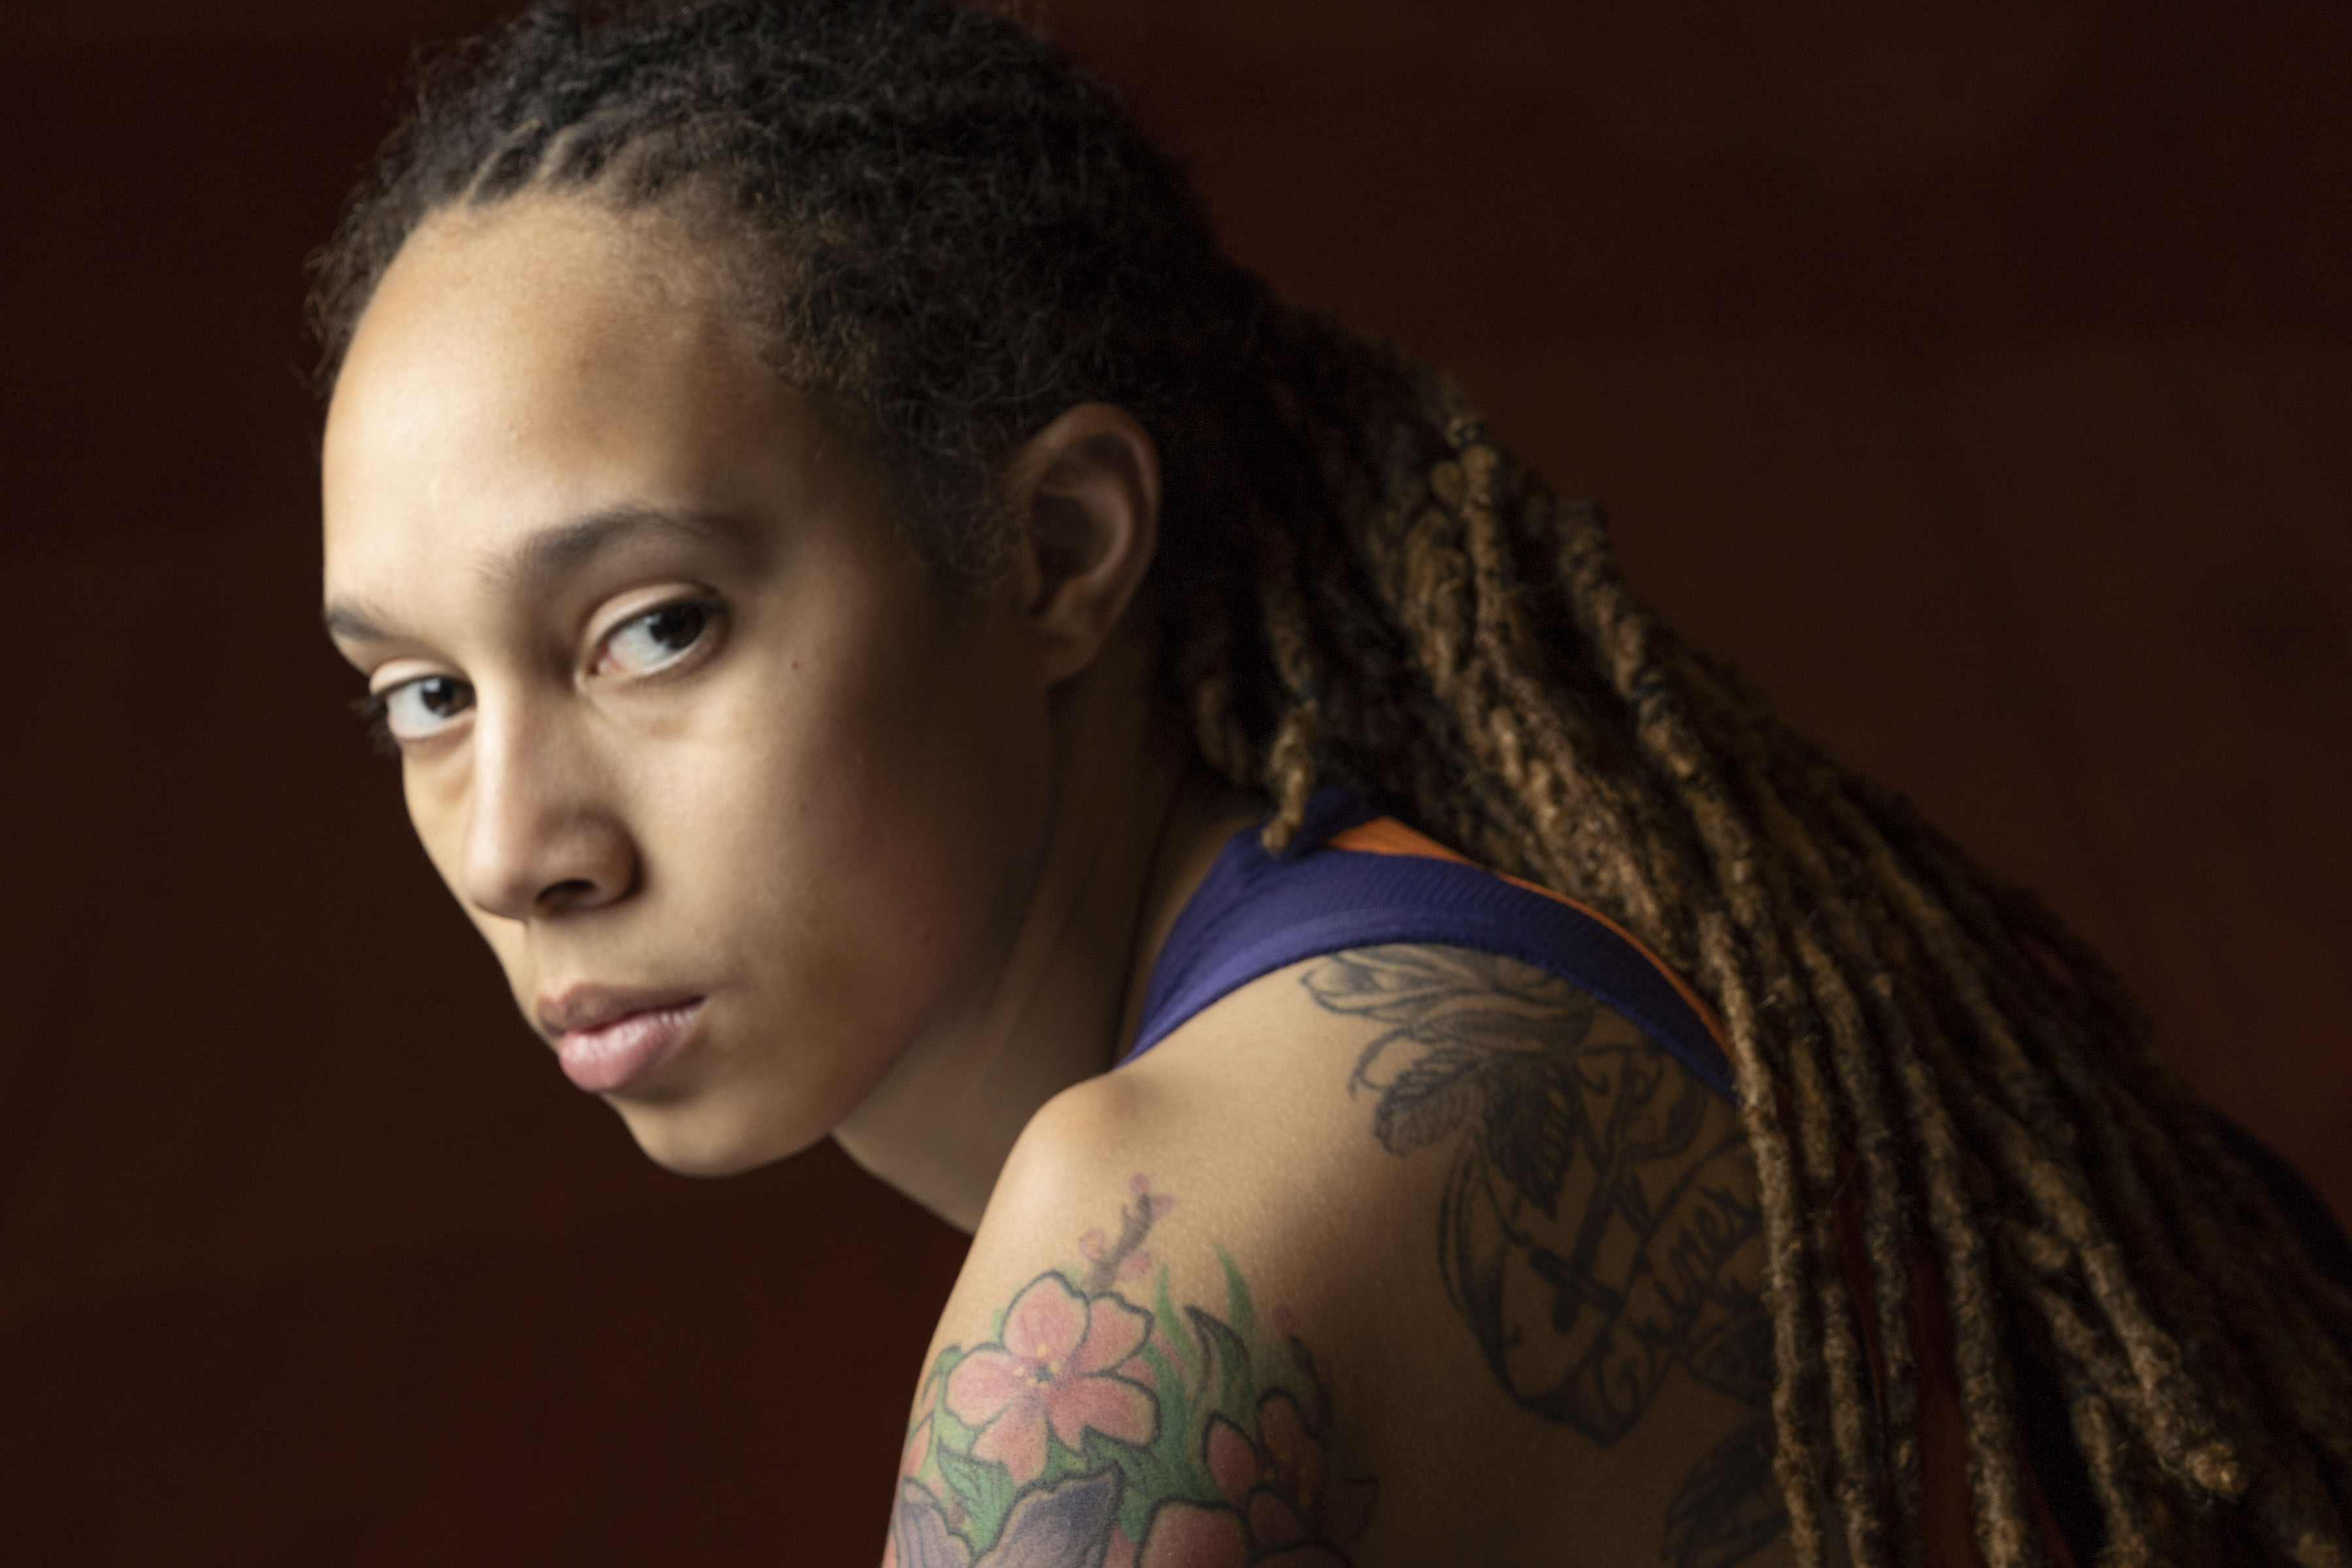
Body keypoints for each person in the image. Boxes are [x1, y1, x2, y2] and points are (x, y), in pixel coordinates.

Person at [308, 1, 2352, 1562]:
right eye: (418, 694)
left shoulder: (1182, 1233)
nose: (513, 847)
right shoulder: (1446, 962)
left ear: (1054, 555)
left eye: (654, 626)